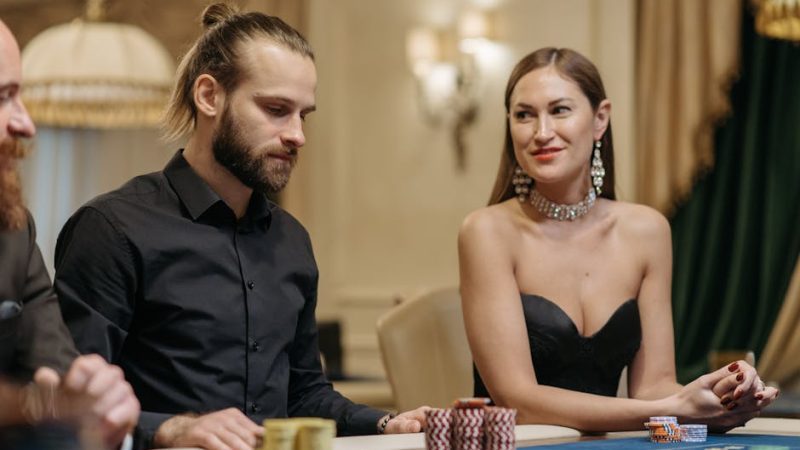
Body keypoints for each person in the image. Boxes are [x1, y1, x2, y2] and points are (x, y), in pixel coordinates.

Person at [53, 4, 427, 450]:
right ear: (209, 96)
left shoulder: (291, 240)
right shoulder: (111, 230)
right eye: (276, 109)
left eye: (303, 115)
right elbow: (70, 406)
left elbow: (305, 394)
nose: (297, 135)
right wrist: (174, 430)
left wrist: (388, 424)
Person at [457, 47, 779, 432]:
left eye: (559, 110)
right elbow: (518, 401)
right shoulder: (486, 232)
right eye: (524, 115)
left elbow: (654, 388)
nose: (542, 132)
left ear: (600, 119)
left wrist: (721, 393)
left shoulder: (647, 230)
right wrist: (677, 408)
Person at [0, 18, 140, 449]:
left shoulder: (14, 232)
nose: (26, 124)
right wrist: (37, 407)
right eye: (4, 97)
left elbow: (62, 377)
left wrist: (102, 404)